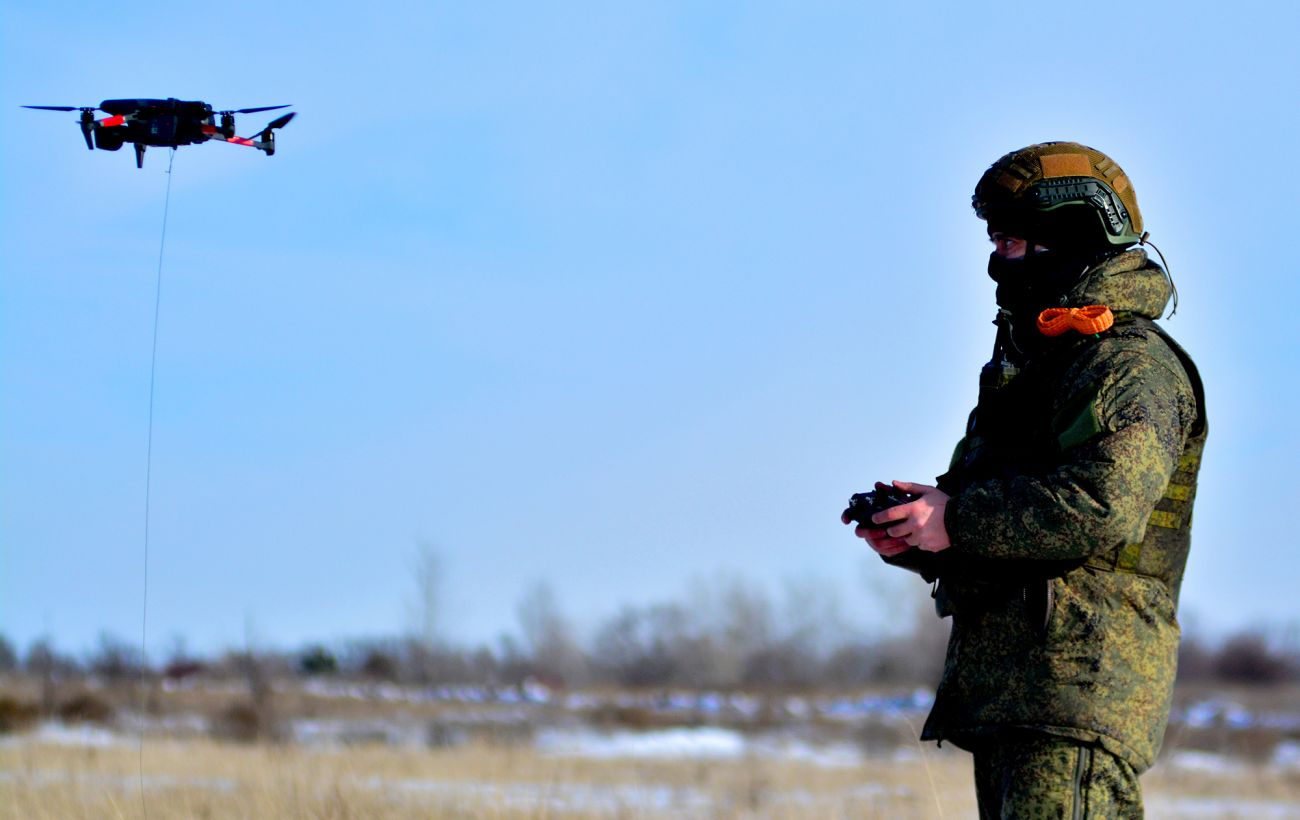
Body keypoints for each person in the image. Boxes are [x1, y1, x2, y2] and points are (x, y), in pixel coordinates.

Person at [844, 141, 1206, 818]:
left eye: (1011, 242)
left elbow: (1101, 505)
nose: (997, 262)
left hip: (1077, 690)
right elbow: (1006, 516)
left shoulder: (1129, 367)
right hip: (1020, 691)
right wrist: (923, 535)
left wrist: (956, 519)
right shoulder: (1039, 368)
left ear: (1070, 236)